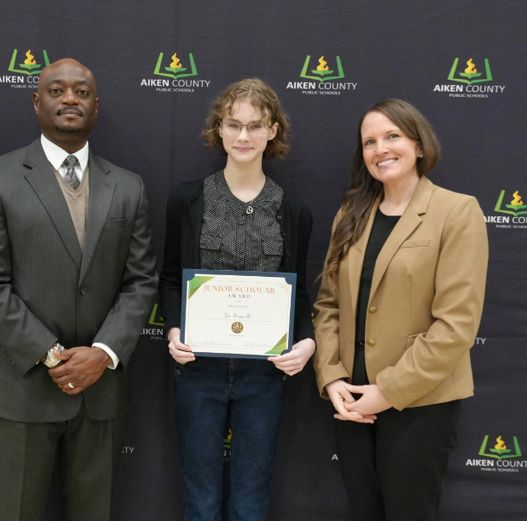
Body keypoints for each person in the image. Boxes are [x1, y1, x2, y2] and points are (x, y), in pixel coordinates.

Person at [0, 58, 157, 521]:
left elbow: (141, 280)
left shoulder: (129, 187)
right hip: (22, 388)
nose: (70, 98)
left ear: (96, 105)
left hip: (100, 391)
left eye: (82, 91)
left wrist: (102, 353)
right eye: (57, 90)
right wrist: (52, 354)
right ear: (36, 101)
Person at [313, 99, 489, 521]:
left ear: (419, 145)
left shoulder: (457, 211)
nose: (380, 149)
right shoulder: (350, 215)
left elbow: (456, 325)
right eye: (369, 141)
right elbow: (328, 305)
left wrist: (387, 392)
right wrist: (331, 375)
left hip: (419, 403)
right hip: (352, 399)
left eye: (392, 136)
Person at [159, 78, 315, 521]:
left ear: (273, 132)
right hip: (198, 371)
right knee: (202, 500)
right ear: (219, 130)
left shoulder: (293, 210)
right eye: (233, 124)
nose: (243, 136)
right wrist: (173, 330)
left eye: (255, 125)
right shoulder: (187, 200)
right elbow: (170, 278)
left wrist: (307, 342)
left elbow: (299, 292)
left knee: (250, 501)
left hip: (263, 376)